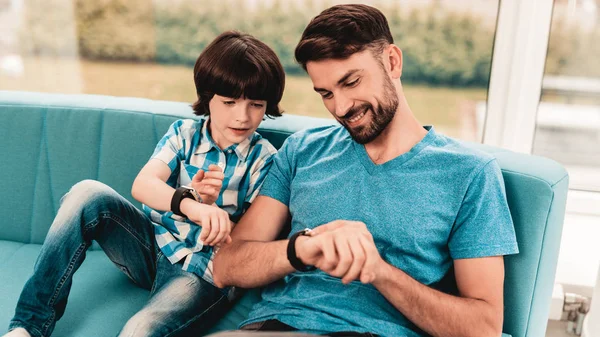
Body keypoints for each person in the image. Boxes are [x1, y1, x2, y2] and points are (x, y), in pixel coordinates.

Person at [211, 4, 518, 337]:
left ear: (392, 62)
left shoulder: (469, 175)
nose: (341, 108)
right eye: (326, 94)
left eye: (351, 82)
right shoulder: (302, 151)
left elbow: (485, 328)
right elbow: (226, 266)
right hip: (275, 327)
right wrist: (301, 248)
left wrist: (379, 272)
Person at [4, 30, 284, 337]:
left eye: (256, 105)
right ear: (208, 98)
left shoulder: (265, 160)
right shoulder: (184, 134)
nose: (242, 116)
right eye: (229, 102)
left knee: (139, 330)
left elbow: (251, 245)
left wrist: (215, 212)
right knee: (87, 193)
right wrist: (193, 205)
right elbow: (144, 184)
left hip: (202, 272)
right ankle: (27, 326)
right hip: (151, 248)